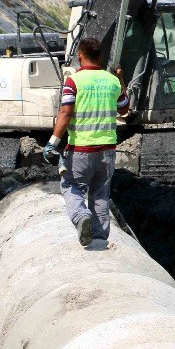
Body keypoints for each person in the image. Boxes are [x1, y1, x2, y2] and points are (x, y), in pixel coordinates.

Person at [42, 38, 128, 248]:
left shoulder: (74, 81)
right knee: (100, 194)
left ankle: (81, 217)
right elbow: (124, 109)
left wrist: (53, 142)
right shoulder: (112, 81)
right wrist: (121, 79)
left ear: (80, 55)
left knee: (71, 185)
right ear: (100, 57)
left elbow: (65, 112)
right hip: (107, 151)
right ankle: (99, 238)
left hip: (81, 149)